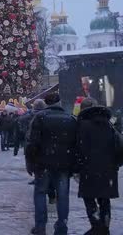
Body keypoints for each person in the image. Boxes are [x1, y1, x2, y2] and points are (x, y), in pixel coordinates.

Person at [25, 93, 77, 235]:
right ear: (60, 103)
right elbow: (76, 144)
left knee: (40, 193)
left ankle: (40, 226)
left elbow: (32, 143)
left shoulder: (40, 118)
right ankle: (62, 227)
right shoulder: (70, 118)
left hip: (43, 164)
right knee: (63, 196)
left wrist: (30, 162)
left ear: (46, 104)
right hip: (63, 164)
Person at [75, 98, 119, 235]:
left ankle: (96, 226)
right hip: (108, 167)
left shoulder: (82, 125)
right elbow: (117, 144)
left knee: (89, 198)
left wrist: (76, 167)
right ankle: (105, 227)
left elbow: (79, 148)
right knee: (104, 198)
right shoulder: (109, 124)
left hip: (88, 167)